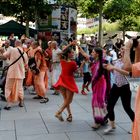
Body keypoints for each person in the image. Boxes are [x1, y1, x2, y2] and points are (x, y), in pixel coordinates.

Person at [104, 40, 140, 139]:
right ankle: (112, 125)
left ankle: (135, 126)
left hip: (124, 87)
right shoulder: (117, 61)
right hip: (116, 86)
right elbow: (110, 67)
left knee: (127, 108)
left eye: (124, 49)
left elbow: (128, 73)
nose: (122, 49)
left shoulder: (128, 64)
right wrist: (108, 67)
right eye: (122, 49)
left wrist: (114, 68)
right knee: (109, 106)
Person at [78, 45, 108, 129]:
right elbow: (84, 54)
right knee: (99, 102)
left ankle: (98, 121)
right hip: (95, 84)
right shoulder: (93, 60)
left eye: (93, 52)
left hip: (101, 84)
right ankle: (104, 118)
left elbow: (110, 69)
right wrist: (78, 46)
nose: (91, 53)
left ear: (97, 54)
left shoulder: (103, 61)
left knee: (97, 102)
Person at [0, 40, 28, 110]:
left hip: (11, 73)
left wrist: (1, 51)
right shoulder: (25, 53)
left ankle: (9, 104)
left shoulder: (13, 50)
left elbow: (4, 57)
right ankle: (21, 102)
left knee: (8, 88)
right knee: (20, 88)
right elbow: (26, 64)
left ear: (16, 44)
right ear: (21, 44)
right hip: (21, 73)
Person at [53, 46, 79, 122]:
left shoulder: (62, 60)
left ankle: (70, 115)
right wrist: (82, 65)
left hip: (62, 81)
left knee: (66, 100)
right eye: (72, 52)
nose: (73, 53)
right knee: (69, 100)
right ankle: (59, 112)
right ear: (68, 54)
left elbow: (60, 52)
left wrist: (70, 45)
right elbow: (77, 72)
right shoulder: (73, 63)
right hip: (69, 81)